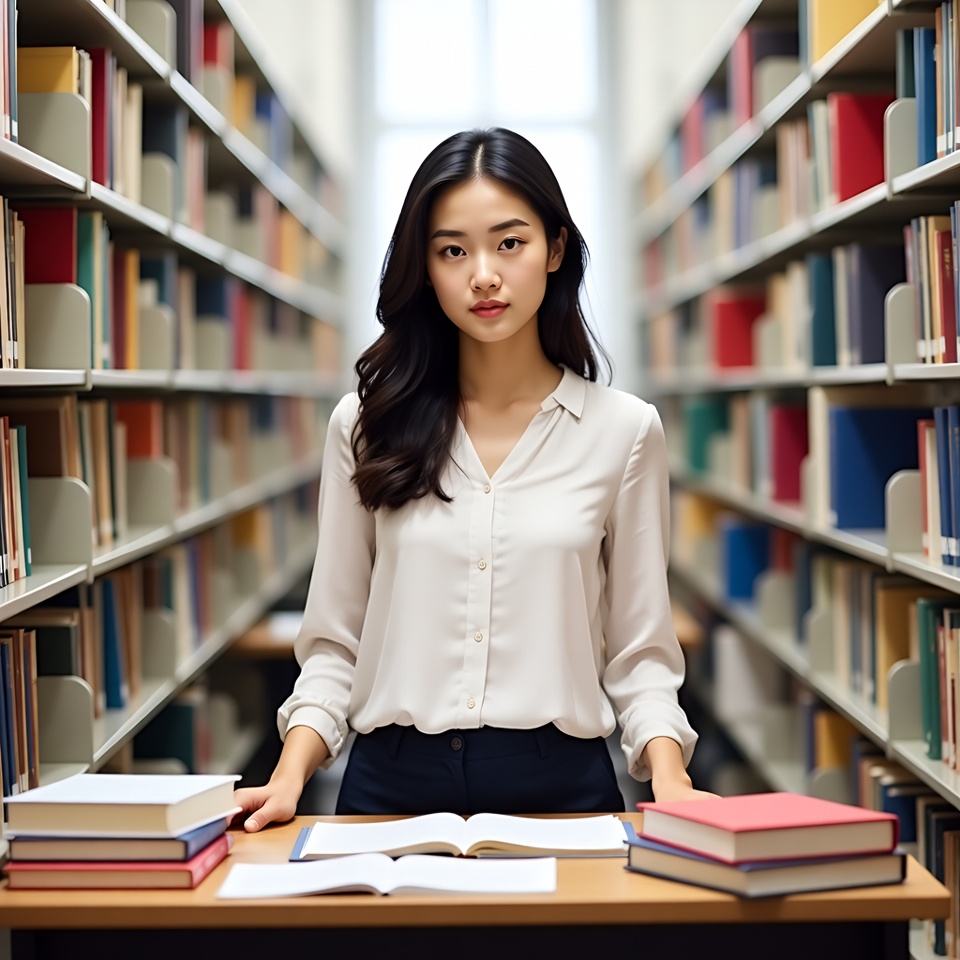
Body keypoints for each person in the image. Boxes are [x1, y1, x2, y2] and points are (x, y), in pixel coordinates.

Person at [235, 127, 712, 830]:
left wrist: (669, 779)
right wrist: (288, 778)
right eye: (453, 250)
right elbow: (336, 638)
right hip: (386, 787)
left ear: (554, 250)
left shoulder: (624, 431)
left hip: (563, 788)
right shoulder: (365, 425)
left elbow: (639, 650)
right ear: (425, 269)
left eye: (509, 243)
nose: (482, 274)